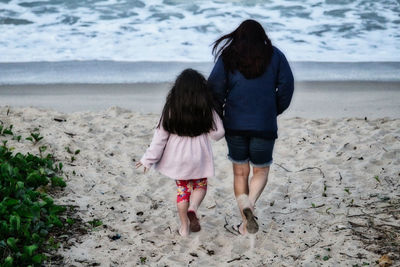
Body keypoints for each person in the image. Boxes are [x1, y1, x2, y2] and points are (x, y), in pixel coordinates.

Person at [207, 19, 294, 235]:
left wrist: (220, 113)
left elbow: (214, 88)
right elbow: (287, 87)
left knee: (240, 172)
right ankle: (251, 204)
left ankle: (245, 217)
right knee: (261, 170)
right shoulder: (276, 55)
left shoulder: (228, 56)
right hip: (264, 124)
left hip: (235, 124)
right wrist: (274, 109)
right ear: (262, 36)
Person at [136, 69, 225, 237]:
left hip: (178, 159)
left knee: (183, 191)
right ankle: (194, 207)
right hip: (198, 158)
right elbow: (218, 134)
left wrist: (148, 159)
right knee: (200, 186)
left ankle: (184, 227)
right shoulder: (206, 108)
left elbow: (160, 137)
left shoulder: (171, 108)